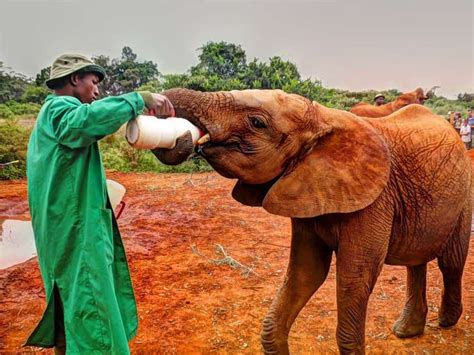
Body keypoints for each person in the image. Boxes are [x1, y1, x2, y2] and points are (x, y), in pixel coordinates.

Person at [25, 53, 175, 354]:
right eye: (93, 82)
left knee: (72, 303)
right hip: (76, 233)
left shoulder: (45, 123)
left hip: (62, 228)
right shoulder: (60, 110)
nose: (97, 91)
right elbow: (85, 121)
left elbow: (63, 175)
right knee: (92, 309)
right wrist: (139, 99)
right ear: (74, 79)